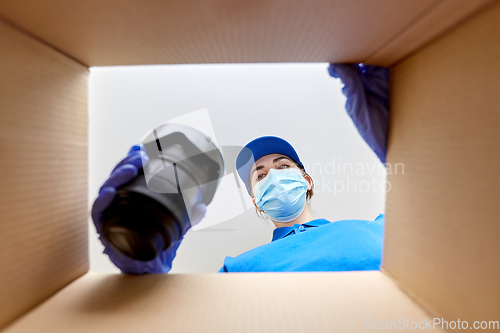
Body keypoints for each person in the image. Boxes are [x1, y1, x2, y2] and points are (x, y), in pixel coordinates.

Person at [92, 136, 384, 274]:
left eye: (283, 166)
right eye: (261, 175)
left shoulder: (378, 229)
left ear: (306, 180)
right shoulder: (236, 268)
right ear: (257, 201)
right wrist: (146, 278)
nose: (274, 176)